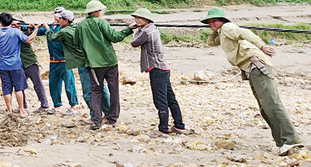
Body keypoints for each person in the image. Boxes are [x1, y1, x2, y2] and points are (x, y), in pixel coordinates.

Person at [204, 8, 303, 155]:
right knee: (265, 107)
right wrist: (214, 29)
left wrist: (262, 46)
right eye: (209, 22)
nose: (212, 23)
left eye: (215, 20)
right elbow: (210, 43)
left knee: (272, 104)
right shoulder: (222, 32)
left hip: (257, 66)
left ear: (223, 20)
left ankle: (290, 140)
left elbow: (245, 33)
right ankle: (282, 142)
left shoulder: (227, 27)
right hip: (252, 69)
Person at [129, 8, 186, 137]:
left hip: (156, 69)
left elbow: (134, 43)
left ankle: (163, 129)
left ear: (146, 19)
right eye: (135, 17)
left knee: (160, 100)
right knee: (170, 98)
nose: (136, 20)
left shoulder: (146, 32)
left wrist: (133, 29)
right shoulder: (152, 28)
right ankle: (179, 125)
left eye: (139, 18)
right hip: (163, 68)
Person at [45, 9, 110, 121]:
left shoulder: (64, 31)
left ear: (65, 20)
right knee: (100, 87)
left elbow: (52, 37)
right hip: (93, 60)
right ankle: (109, 114)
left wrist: (46, 28)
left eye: (60, 18)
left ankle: (96, 117)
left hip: (83, 63)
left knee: (88, 92)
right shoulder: (78, 28)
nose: (57, 20)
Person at [77, 0, 133, 130]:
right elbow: (115, 37)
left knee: (95, 92)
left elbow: (76, 43)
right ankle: (112, 118)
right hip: (110, 61)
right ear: (96, 11)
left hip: (93, 65)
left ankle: (96, 120)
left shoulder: (81, 26)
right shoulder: (102, 22)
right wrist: (129, 29)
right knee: (114, 90)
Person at [0, 12, 39, 117]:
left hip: (3, 66)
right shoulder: (15, 32)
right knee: (18, 88)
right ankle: (22, 110)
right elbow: (28, 40)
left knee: (6, 89)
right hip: (16, 65)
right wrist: (36, 29)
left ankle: (9, 110)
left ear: (1, 22)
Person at [37, 7, 79, 115]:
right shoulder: (51, 26)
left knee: (69, 84)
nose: (57, 17)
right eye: (56, 14)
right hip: (53, 61)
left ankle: (74, 105)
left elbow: (52, 36)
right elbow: (37, 31)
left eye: (59, 15)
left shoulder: (65, 29)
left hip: (65, 60)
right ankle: (57, 106)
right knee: (53, 84)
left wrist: (47, 28)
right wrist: (32, 27)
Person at [12, 14, 51, 113]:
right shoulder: (11, 32)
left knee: (37, 83)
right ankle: (23, 106)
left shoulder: (25, 31)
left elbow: (30, 38)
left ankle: (44, 104)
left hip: (30, 61)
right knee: (19, 86)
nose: (14, 25)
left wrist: (33, 28)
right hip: (19, 63)